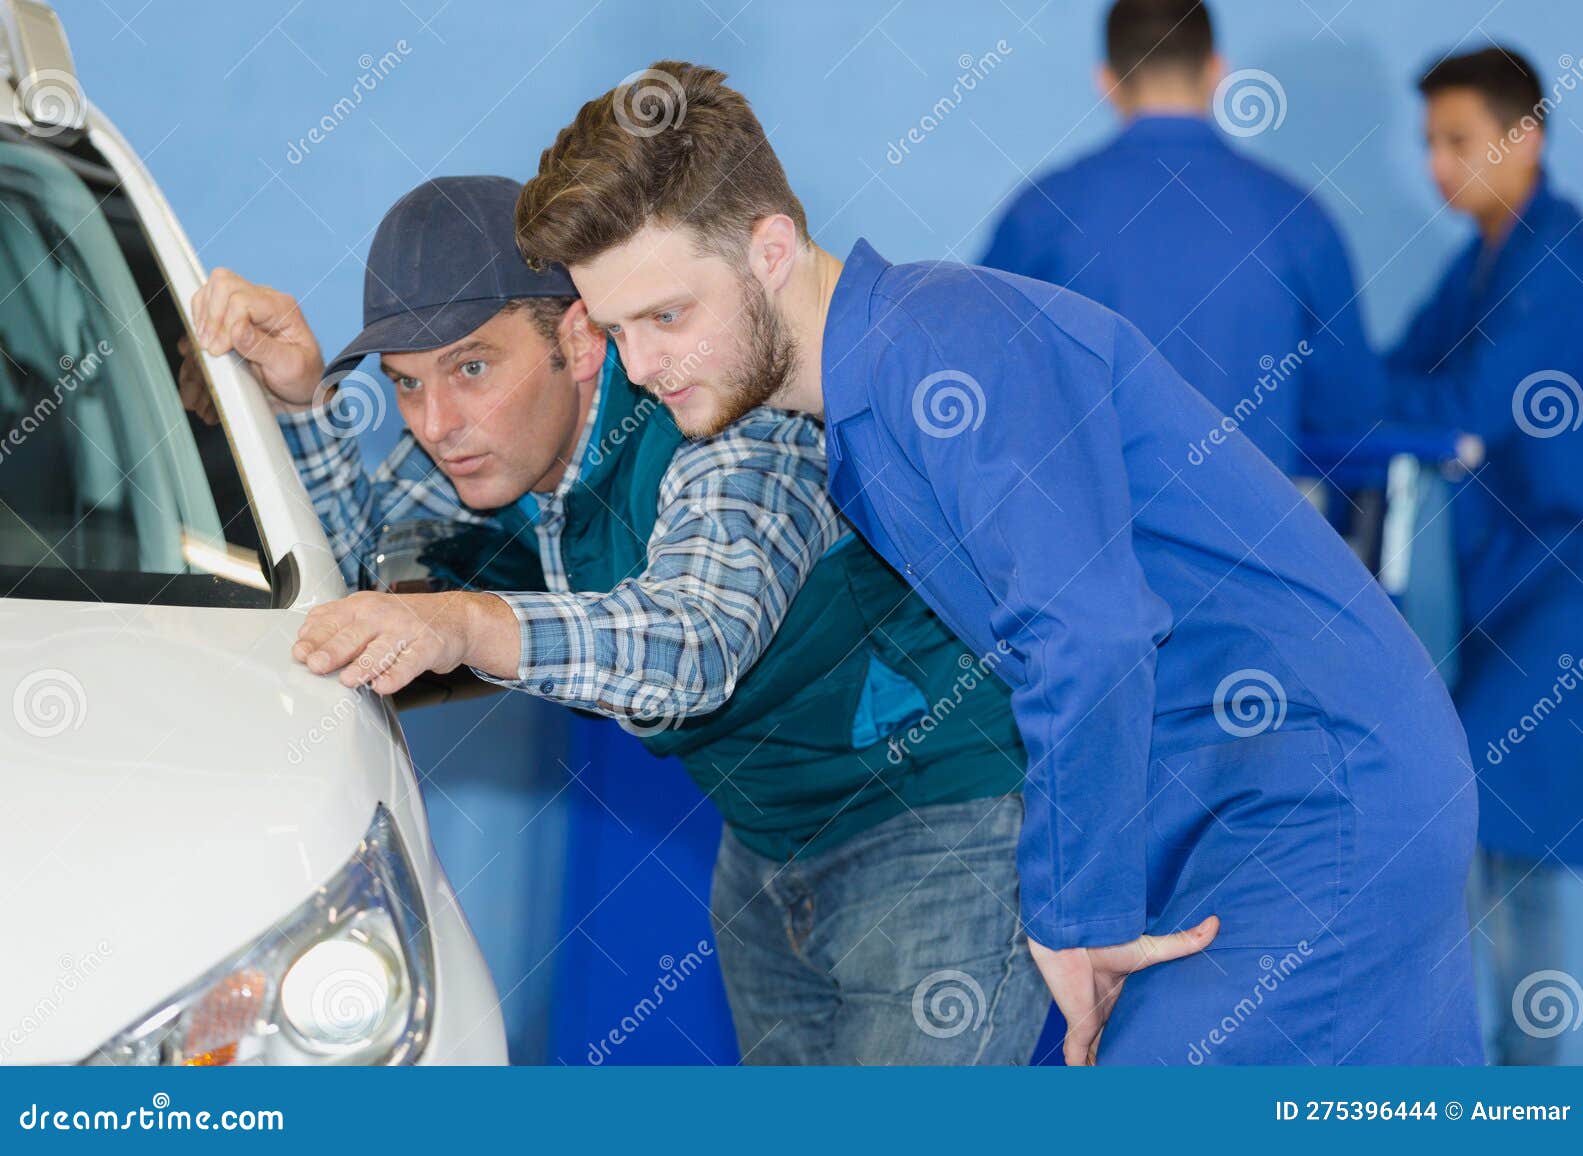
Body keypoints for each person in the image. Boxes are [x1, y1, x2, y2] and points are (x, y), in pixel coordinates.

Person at [516, 62, 1484, 1065]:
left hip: (1313, 785)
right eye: (617, 329)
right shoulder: (867, 400)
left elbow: (1088, 627)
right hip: (1236, 792)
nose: (641, 365)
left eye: (667, 315)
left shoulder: (944, 347)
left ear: (769, 250)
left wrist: (1075, 915)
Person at [181, 176, 1050, 1064]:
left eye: (472, 367)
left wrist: (471, 622)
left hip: (941, 826)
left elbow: (697, 642)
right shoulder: (482, 447)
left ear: (579, 337)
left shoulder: (723, 414)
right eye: (406, 385)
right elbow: (355, 586)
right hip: (763, 852)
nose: (437, 423)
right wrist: (295, 405)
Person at [1387, 46, 1583, 1065]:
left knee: (1490, 802)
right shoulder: (1482, 257)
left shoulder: (1554, 263)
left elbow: (1461, 403)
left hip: (1571, 590)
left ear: (1527, 138)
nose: (1437, 164)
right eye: (1429, 141)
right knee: (1511, 836)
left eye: (1458, 140)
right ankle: (1518, 1083)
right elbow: (1396, 374)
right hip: (1512, 591)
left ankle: (1527, 1090)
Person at [981, 0, 1386, 475]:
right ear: (1217, 72)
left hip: (1085, 542)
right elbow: (1348, 408)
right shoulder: (1297, 217)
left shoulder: (1043, 213)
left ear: (1106, 82)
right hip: (1250, 542)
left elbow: (986, 380)